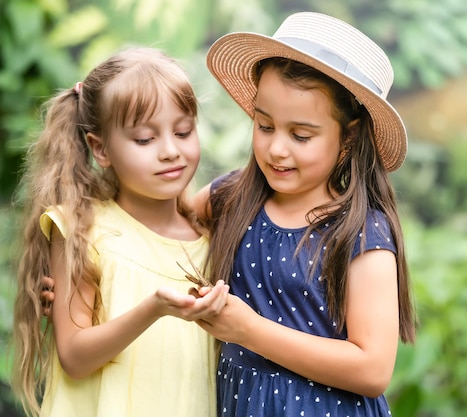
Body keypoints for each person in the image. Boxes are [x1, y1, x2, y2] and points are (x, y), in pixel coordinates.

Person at [190, 11, 417, 417]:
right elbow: (158, 233)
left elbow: (373, 368)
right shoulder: (231, 198)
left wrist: (250, 332)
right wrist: (76, 271)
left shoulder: (361, 232)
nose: (277, 149)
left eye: (300, 135)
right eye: (264, 126)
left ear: (347, 139)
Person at [12, 47, 229, 417]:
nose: (170, 151)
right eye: (145, 139)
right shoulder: (81, 228)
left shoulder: (212, 240)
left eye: (183, 131)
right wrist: (154, 309)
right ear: (100, 149)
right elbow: (75, 357)